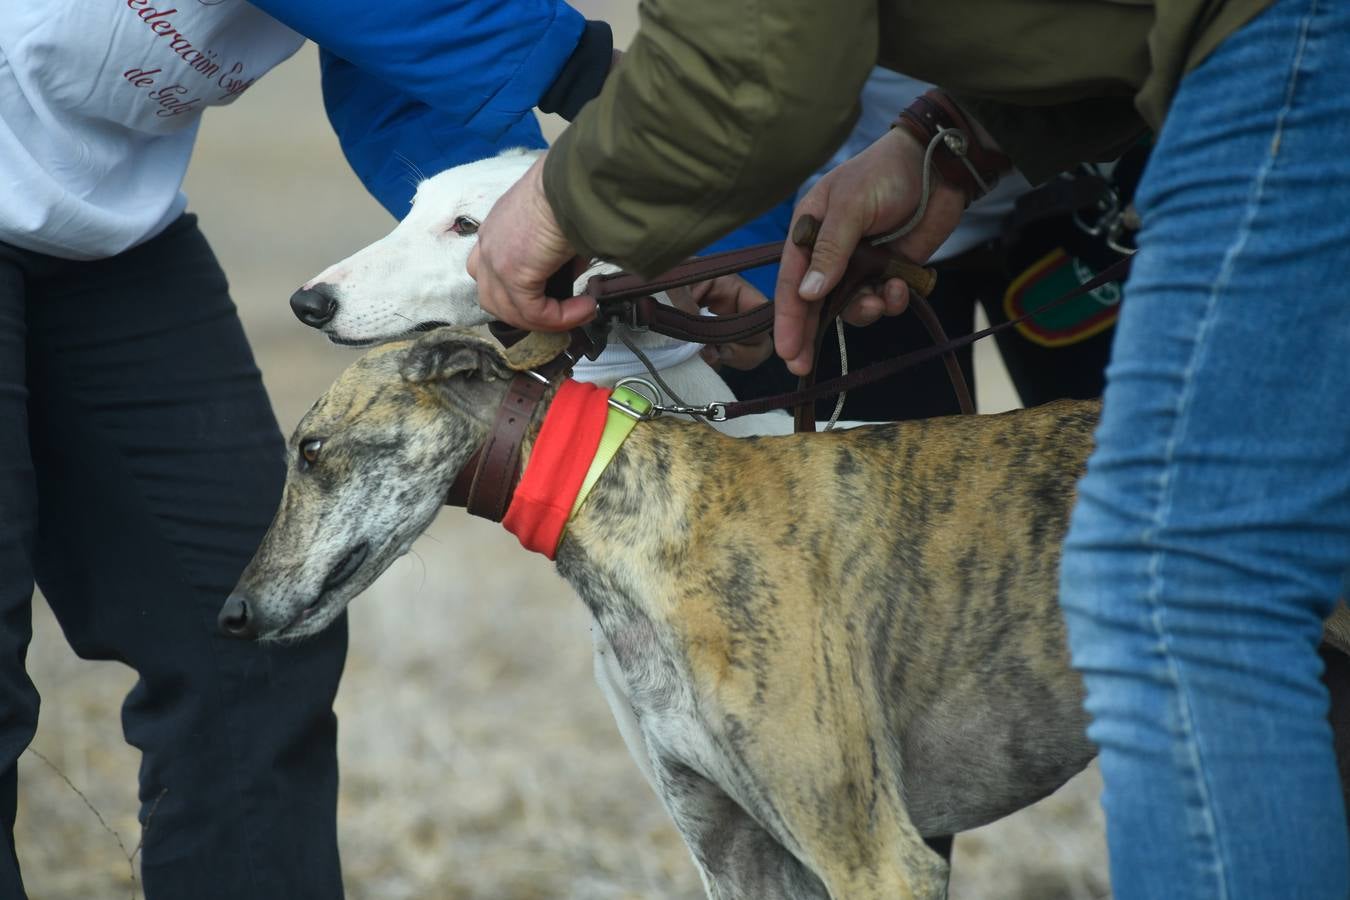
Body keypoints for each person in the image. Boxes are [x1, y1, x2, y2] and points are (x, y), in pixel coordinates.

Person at [467, 1, 1350, 896]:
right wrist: (951, 143)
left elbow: (752, 60)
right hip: (1232, 60)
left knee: (1182, 586)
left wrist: (560, 203)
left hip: (1280, 53)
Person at [0, 2, 622, 897]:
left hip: (109, 237)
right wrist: (590, 72)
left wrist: (555, 224)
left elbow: (410, 81)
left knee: (262, 622)